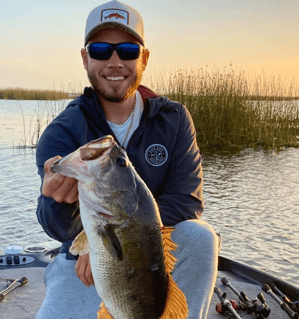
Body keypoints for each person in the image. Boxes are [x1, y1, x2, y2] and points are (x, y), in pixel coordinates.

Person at [36, 1, 219, 318]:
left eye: (128, 51)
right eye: (101, 49)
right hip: (79, 264)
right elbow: (55, 227)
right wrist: (58, 202)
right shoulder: (61, 132)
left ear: (144, 58)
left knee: (201, 236)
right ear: (85, 58)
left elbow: (187, 202)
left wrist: (119, 235)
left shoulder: (174, 119)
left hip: (151, 260)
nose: (115, 61)